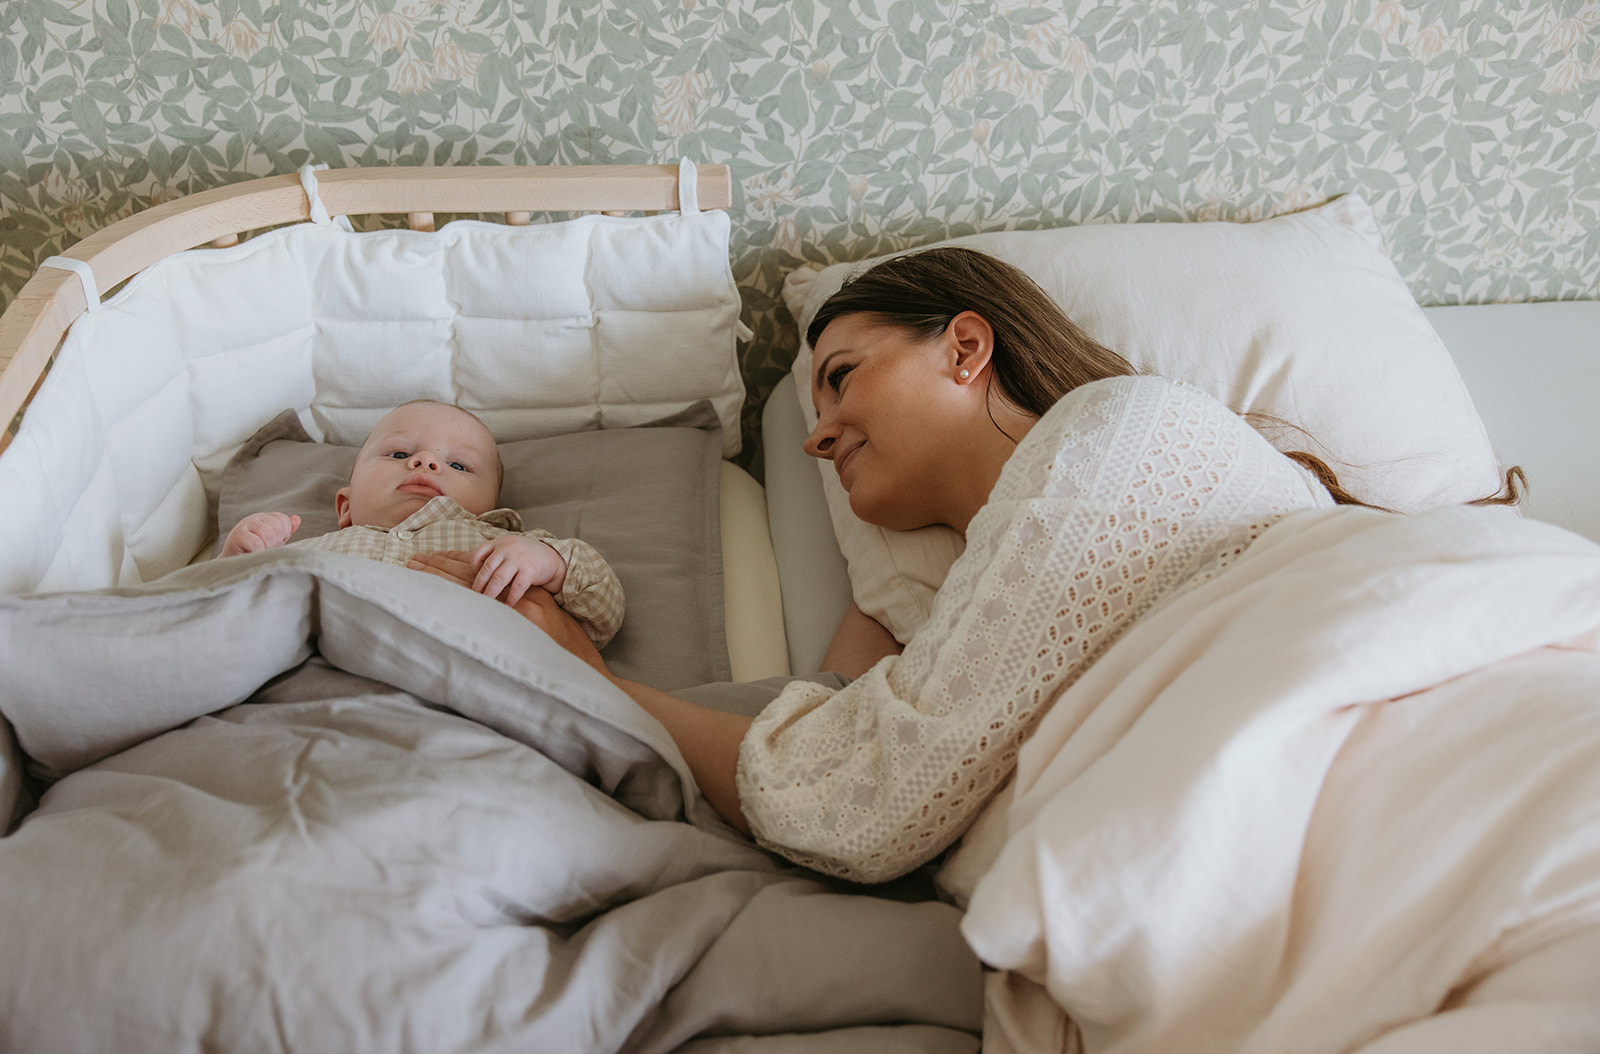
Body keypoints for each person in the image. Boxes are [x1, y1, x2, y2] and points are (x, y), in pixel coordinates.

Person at [409, 247, 1521, 883]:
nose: (813, 434)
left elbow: (863, 801)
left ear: (965, 346)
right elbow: (856, 716)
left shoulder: (1122, 429)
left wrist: (578, 672)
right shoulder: (966, 588)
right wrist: (882, 600)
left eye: (839, 377)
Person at [221, 399, 625, 647]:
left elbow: (602, 610)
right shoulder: (309, 551)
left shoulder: (498, 544)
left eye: (458, 464)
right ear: (345, 508)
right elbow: (215, 617)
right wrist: (236, 560)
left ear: (490, 508)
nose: (426, 461)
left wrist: (549, 562)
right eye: (398, 454)